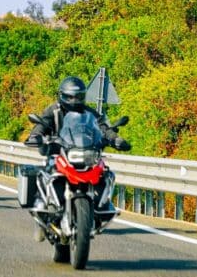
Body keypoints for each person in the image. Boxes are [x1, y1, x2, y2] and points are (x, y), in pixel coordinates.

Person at [25, 76, 130, 241]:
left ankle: (101, 206)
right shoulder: (53, 110)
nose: (74, 100)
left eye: (78, 96)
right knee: (47, 172)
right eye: (70, 96)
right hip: (59, 152)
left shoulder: (89, 113)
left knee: (105, 173)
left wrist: (114, 138)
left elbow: (103, 126)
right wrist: (36, 136)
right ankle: (42, 209)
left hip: (85, 153)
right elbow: (42, 125)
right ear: (62, 95)